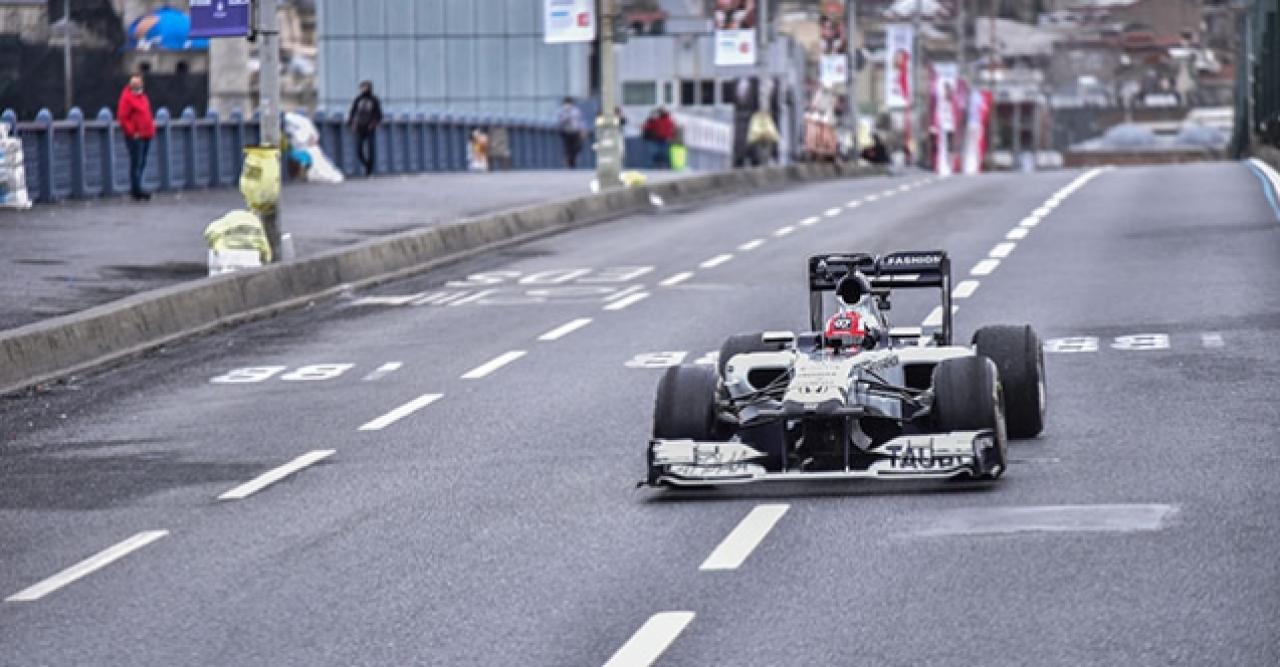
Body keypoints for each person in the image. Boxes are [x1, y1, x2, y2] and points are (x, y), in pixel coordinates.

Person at [116, 73, 155, 201]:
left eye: (138, 83)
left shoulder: (143, 97)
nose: (136, 86)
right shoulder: (127, 98)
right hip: (136, 136)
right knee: (136, 163)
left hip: (146, 134)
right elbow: (123, 117)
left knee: (142, 161)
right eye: (134, 84)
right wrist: (133, 132)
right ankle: (136, 190)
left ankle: (138, 187)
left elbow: (146, 114)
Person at [347, 80, 383, 176]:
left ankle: (369, 170)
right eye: (362, 87)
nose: (363, 89)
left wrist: (374, 123)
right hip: (359, 127)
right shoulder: (358, 99)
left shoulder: (374, 100)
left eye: (365, 87)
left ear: (369, 88)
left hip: (370, 128)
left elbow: (379, 114)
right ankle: (366, 165)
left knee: (371, 149)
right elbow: (352, 112)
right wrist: (351, 123)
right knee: (359, 150)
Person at [557, 97, 585, 168]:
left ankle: (572, 160)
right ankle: (569, 163)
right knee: (568, 148)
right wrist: (566, 117)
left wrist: (582, 130)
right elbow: (559, 121)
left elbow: (580, 121)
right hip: (565, 132)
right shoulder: (561, 111)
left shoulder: (576, 111)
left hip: (575, 131)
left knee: (577, 147)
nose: (568, 105)